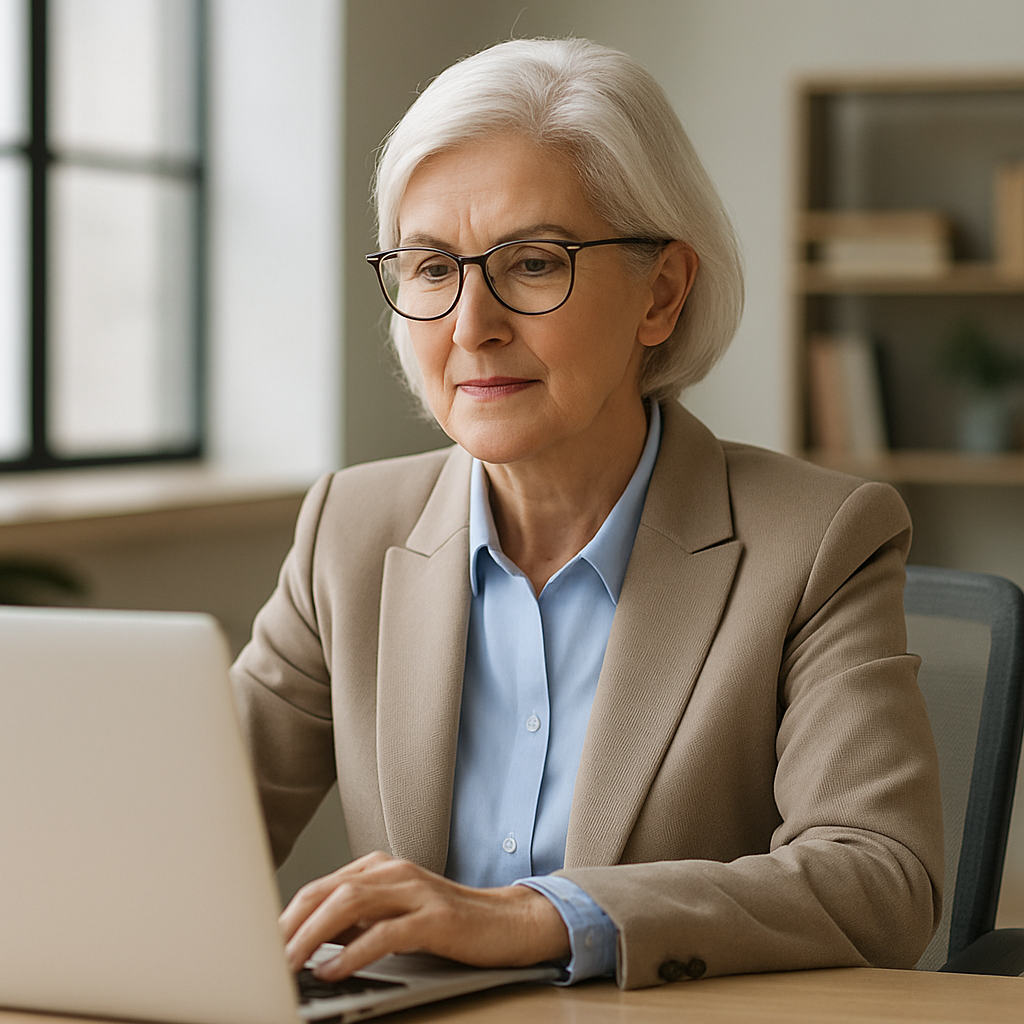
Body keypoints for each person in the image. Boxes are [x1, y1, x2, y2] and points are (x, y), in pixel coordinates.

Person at [230, 37, 943, 991]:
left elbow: (879, 878)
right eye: (432, 268)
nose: (469, 324)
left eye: (531, 263)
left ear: (661, 293)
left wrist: (536, 918)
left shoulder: (820, 541)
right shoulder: (348, 531)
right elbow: (182, 825)